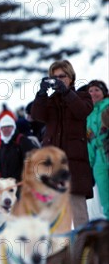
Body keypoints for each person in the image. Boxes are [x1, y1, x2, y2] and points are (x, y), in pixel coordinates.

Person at [31, 60, 93, 227]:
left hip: (74, 164)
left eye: (62, 76)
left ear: (71, 77)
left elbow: (82, 111)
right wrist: (41, 94)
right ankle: (58, 251)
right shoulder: (50, 101)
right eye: (54, 77)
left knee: (79, 214)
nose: (58, 80)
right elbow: (37, 115)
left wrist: (66, 93)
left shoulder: (82, 96)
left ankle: (84, 250)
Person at [86, 80, 109, 218]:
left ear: (104, 92)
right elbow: (88, 140)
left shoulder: (107, 106)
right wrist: (89, 163)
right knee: (104, 195)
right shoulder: (88, 114)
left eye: (97, 90)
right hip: (98, 160)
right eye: (90, 91)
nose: (93, 93)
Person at [0, 114, 37, 185]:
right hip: (8, 185)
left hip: (22, 185)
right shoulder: (1, 146)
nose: (6, 129)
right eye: (3, 127)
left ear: (14, 127)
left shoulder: (22, 141)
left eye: (9, 126)